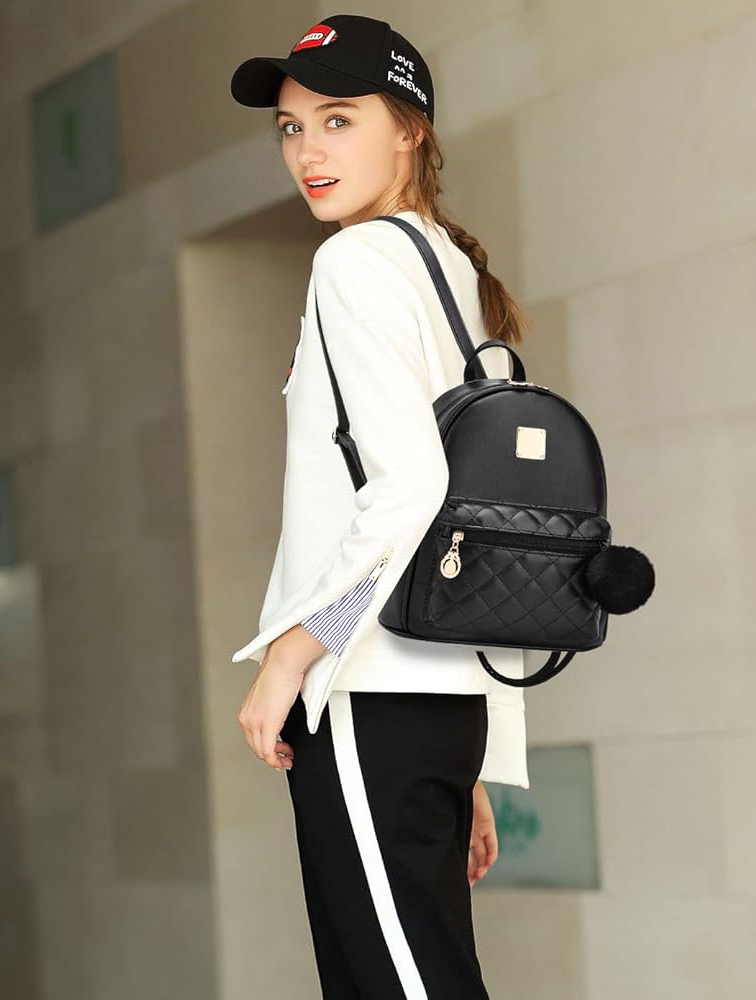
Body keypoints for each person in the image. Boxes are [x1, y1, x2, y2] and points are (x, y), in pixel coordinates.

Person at [229, 14, 533, 999]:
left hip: (366, 690)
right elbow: (479, 513)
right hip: (434, 693)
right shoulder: (450, 270)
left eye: (337, 120)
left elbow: (413, 490)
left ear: (408, 129)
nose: (307, 152)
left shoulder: (354, 262)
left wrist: (292, 651)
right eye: (291, 128)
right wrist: (472, 751)